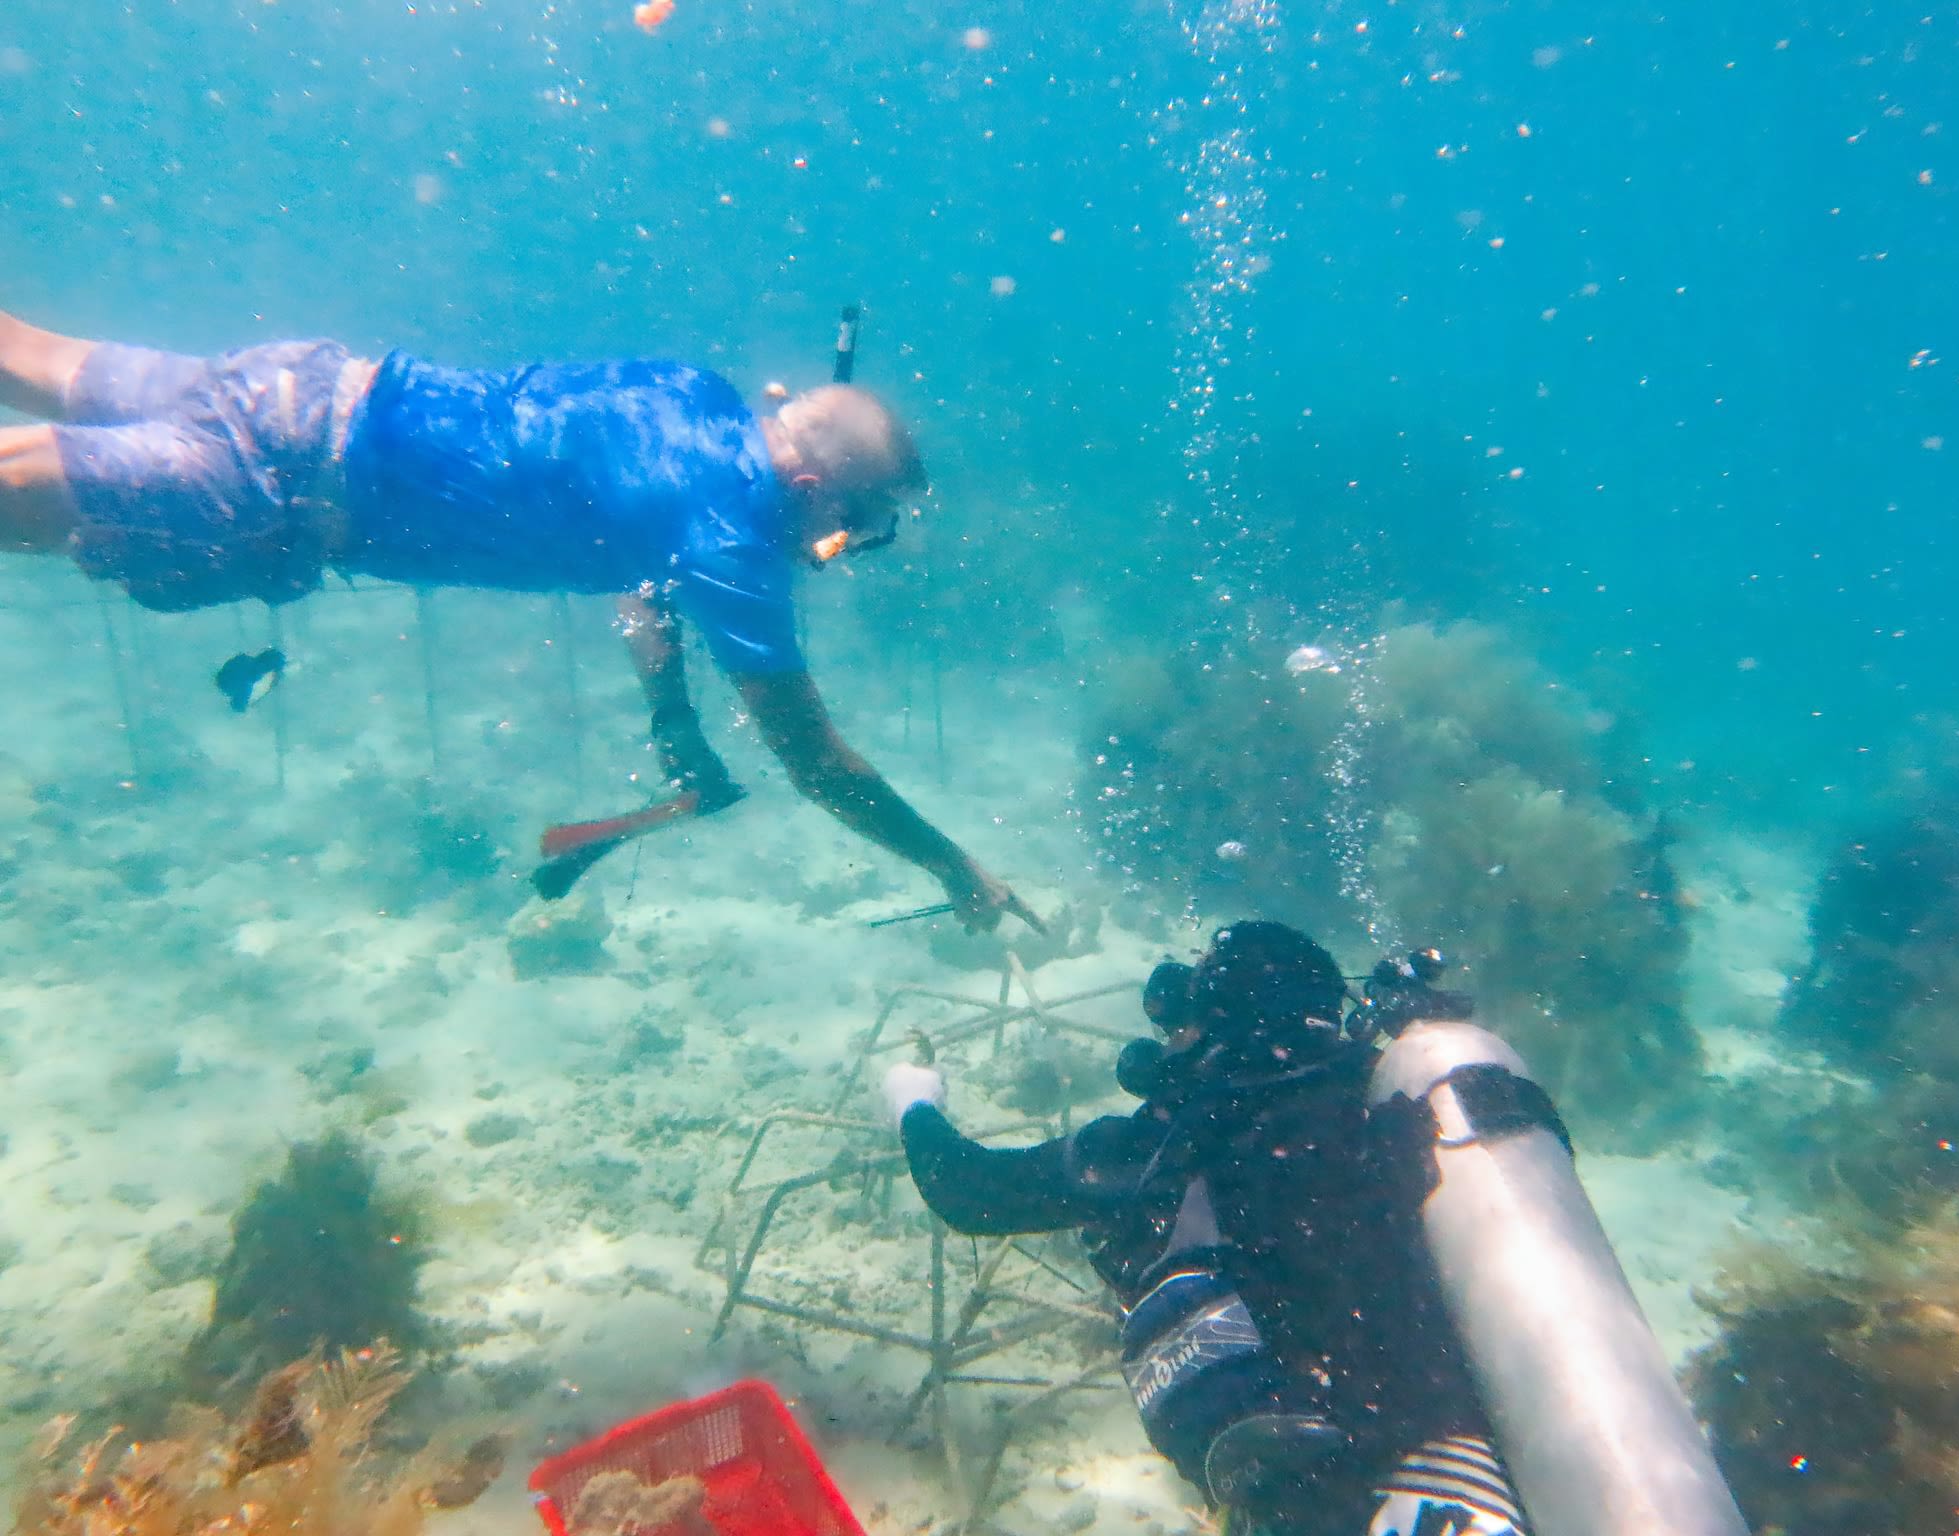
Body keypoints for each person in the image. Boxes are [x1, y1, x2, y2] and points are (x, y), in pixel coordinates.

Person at [0, 306, 1035, 930]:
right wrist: (955, 867)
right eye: (856, 525)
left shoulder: (696, 396)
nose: (843, 548)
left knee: (30, 355)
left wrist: (674, 726)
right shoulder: (734, 539)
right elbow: (817, 763)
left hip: (299, 383)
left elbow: (639, 574)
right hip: (279, 480)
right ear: (811, 486)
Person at [880, 923, 1755, 1536]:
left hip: (1334, 1484)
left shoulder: (1174, 1136)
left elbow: (967, 1191)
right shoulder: (1402, 1108)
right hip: (1497, 1454)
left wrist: (916, 1099)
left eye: (1184, 1006)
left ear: (1211, 1019)